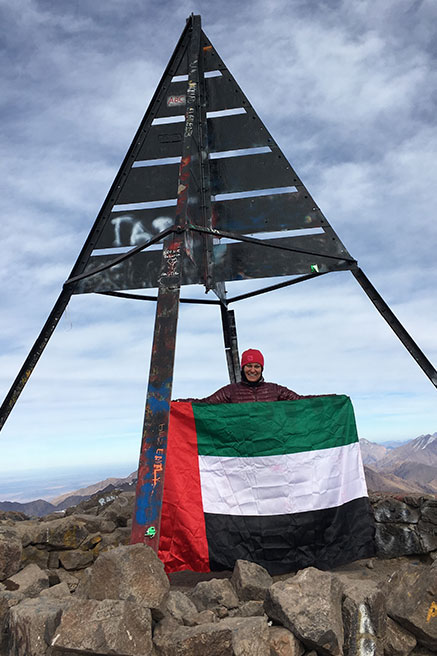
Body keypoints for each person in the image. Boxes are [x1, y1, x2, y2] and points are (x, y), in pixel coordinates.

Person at [178, 348, 323, 404]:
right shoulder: (231, 391)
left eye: (256, 366)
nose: (252, 370)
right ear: (243, 368)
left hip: (271, 445)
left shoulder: (275, 390)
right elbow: (204, 404)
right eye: (248, 366)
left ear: (262, 369)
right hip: (243, 448)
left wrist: (334, 399)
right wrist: (174, 403)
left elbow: (301, 401)